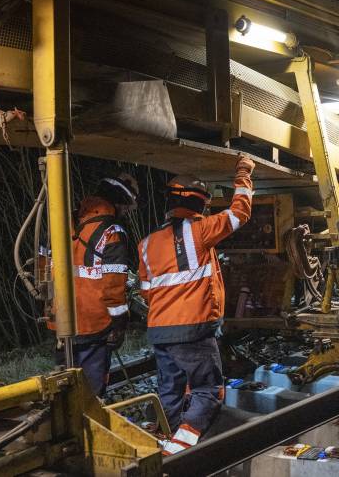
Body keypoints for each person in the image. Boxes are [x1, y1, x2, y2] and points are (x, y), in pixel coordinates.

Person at [140, 156, 254, 454]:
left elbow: (146, 290)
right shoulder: (200, 231)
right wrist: (243, 172)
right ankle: (178, 450)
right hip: (193, 330)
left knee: (170, 391)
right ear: (199, 204)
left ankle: (161, 441)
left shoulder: (146, 244)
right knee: (208, 391)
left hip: (159, 331)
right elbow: (240, 212)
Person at [52, 173, 139, 397]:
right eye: (127, 207)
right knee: (90, 391)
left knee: (63, 386)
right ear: (119, 202)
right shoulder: (112, 231)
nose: (127, 212)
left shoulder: (65, 221)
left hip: (62, 320)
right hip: (95, 323)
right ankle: (87, 427)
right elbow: (112, 285)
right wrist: (120, 323)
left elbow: (46, 265)